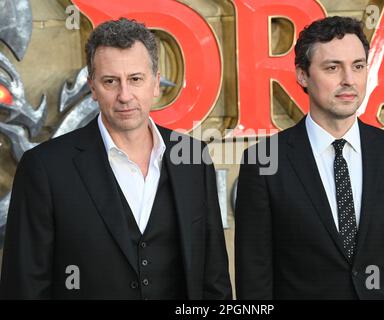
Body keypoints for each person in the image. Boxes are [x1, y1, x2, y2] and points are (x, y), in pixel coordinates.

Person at [0, 18, 231, 299]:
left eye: (135, 79)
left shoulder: (193, 158)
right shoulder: (45, 168)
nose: (124, 95)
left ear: (156, 83)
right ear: (93, 88)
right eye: (110, 81)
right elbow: (24, 285)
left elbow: (213, 277)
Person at [235, 16, 384, 299]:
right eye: (332, 68)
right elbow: (254, 280)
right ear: (302, 75)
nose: (348, 80)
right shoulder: (262, 162)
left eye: (358, 66)